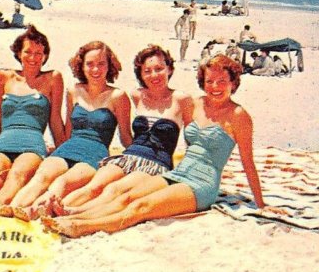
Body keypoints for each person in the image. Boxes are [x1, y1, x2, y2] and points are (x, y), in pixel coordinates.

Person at [47, 54, 266, 237]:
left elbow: (248, 162)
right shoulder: (195, 104)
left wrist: (261, 204)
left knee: (142, 206)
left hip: (202, 183)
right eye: (210, 81)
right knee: (127, 196)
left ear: (233, 83)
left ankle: (81, 226)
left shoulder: (239, 116)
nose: (215, 87)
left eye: (222, 82)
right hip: (177, 173)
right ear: (203, 82)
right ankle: (75, 212)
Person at [54, 45, 193, 215]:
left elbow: (191, 138)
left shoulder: (181, 99)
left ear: (169, 69)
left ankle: (75, 213)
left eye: (159, 69)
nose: (154, 75)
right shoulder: (137, 95)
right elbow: (125, 134)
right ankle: (55, 208)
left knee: (115, 190)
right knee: (94, 186)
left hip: (156, 163)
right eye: (147, 71)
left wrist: (186, 171)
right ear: (141, 74)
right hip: (128, 156)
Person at [9, 41, 133, 217]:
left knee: (63, 182)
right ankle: (12, 209)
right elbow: (68, 129)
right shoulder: (74, 91)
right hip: (69, 147)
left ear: (109, 65)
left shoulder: (118, 96)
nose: (95, 69)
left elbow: (125, 135)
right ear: (81, 66)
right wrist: (57, 148)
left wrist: (136, 158)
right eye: (90, 64)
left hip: (95, 152)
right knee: (42, 177)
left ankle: (31, 211)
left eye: (101, 64)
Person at [0, 25, 65, 214]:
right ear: (19, 53)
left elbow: (55, 118)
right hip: (3, 140)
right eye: (28, 52)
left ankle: (0, 203)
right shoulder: (5, 77)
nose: (33, 58)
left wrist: (62, 151)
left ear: (46, 56)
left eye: (39, 53)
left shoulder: (53, 78)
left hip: (32, 143)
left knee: (17, 174)